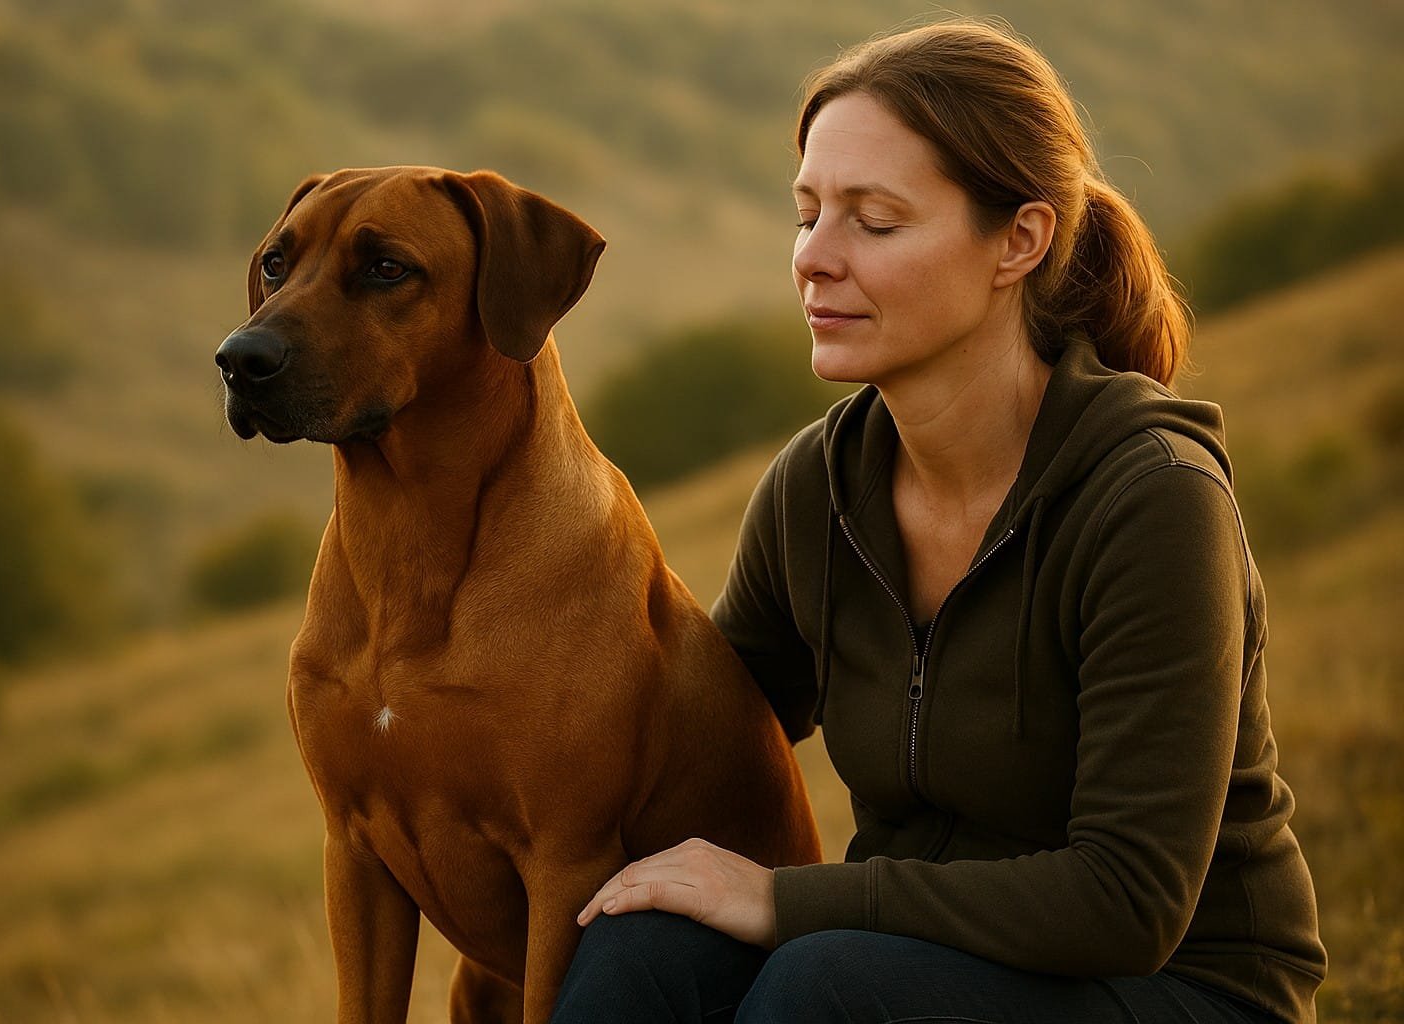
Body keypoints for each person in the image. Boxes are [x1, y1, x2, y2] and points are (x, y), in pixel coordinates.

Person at [548, 18, 1326, 1024]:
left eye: (874, 222)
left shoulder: (1152, 498)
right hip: (916, 966)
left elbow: (1127, 903)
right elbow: (693, 744)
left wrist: (786, 900)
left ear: (1019, 240)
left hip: (1187, 988)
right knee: (644, 948)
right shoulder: (815, 492)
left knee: (821, 985)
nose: (816, 260)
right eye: (807, 214)